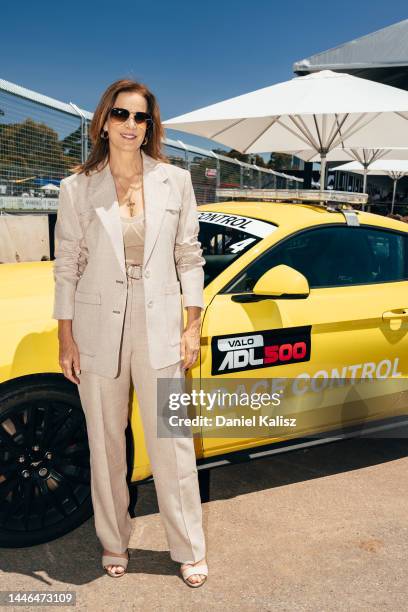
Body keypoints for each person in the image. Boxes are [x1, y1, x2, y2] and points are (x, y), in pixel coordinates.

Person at [52, 78, 208, 587]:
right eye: (121, 114)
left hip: (161, 321)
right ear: (103, 120)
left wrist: (192, 324)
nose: (131, 125)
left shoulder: (175, 180)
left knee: (173, 440)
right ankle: (113, 540)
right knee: (106, 443)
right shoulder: (76, 187)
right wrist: (65, 335)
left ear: (150, 126)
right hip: (99, 325)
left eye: (141, 117)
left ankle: (188, 546)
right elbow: (68, 265)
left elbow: (189, 256)